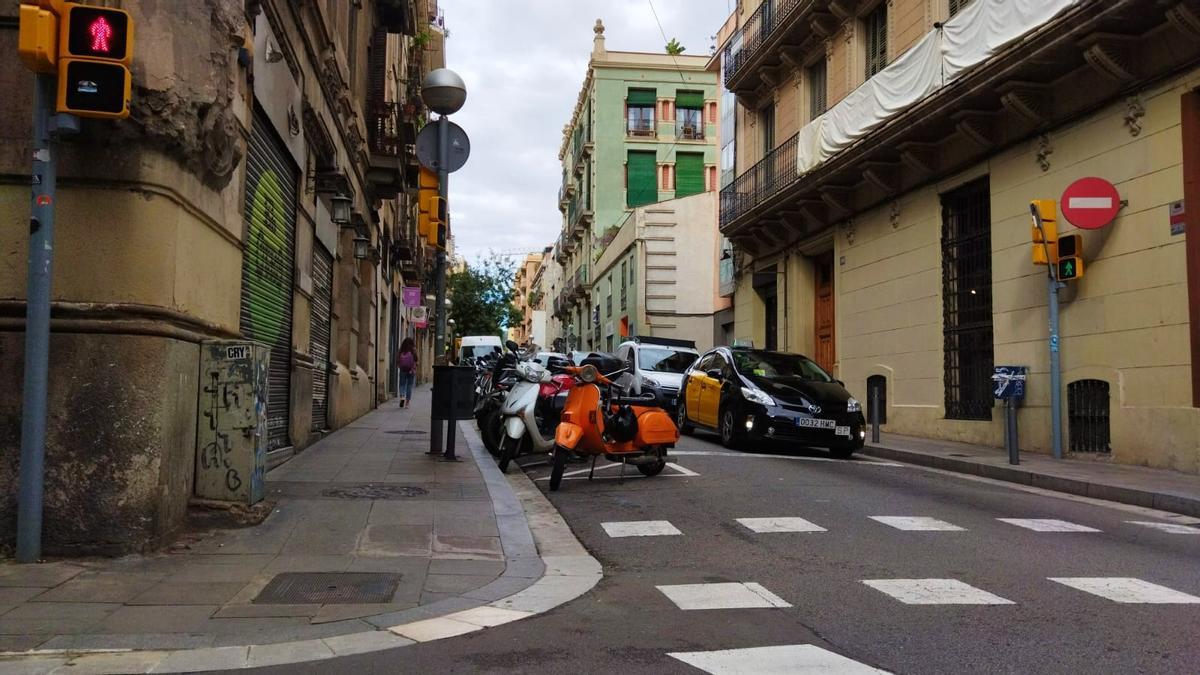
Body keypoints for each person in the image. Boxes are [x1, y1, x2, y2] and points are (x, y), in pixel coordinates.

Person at [397, 338, 417, 407]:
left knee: (402, 384)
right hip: (411, 370)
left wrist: (399, 365)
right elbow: (416, 359)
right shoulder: (413, 350)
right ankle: (407, 403)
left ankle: (402, 396)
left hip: (403, 369)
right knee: (409, 386)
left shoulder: (402, 349)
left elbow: (398, 359)